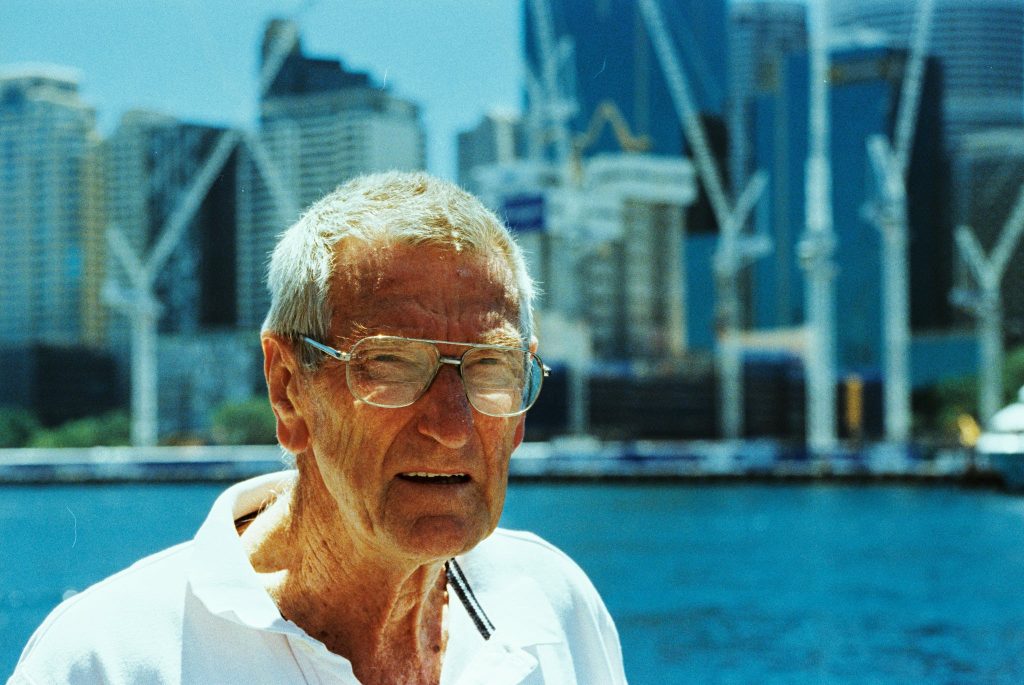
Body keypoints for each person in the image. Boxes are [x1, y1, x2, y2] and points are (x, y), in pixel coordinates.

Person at [9, 171, 627, 684]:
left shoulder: (556, 607)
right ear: (288, 390)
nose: (453, 425)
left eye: (491, 367)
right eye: (390, 364)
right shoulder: (104, 661)